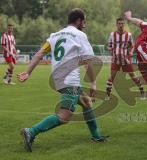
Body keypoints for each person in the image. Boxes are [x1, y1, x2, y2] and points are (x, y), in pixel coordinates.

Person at [17, 8, 108, 152]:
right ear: (78, 21)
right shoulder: (79, 35)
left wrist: (27, 72)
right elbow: (89, 61)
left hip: (59, 78)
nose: (85, 23)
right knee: (65, 116)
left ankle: (96, 135)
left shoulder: (55, 35)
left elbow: (40, 54)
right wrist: (93, 83)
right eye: (83, 21)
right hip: (69, 80)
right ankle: (31, 131)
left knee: (86, 102)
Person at [105, 17, 145, 100]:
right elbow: (108, 46)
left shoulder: (128, 35)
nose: (121, 25)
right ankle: (107, 96)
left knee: (133, 76)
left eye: (122, 23)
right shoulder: (112, 35)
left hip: (126, 59)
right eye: (119, 23)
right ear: (116, 24)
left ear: (124, 24)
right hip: (115, 60)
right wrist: (111, 49)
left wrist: (130, 52)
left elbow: (132, 45)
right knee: (111, 78)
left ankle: (142, 92)